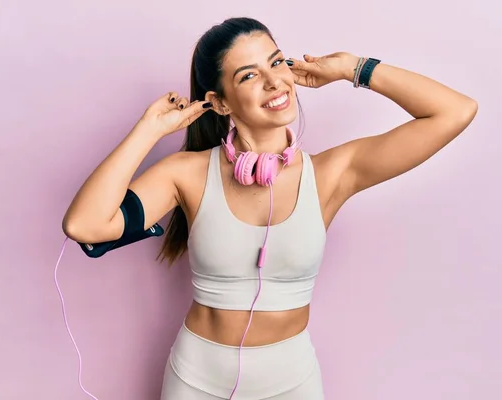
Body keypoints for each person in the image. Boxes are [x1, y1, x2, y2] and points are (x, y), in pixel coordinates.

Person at [62, 17, 477, 400]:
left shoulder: (333, 174)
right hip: (195, 380)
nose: (274, 82)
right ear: (221, 103)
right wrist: (149, 131)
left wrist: (353, 68)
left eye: (276, 62)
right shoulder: (184, 174)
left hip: (292, 382)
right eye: (249, 75)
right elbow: (86, 224)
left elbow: (455, 111)